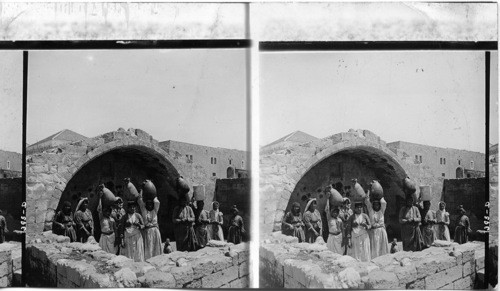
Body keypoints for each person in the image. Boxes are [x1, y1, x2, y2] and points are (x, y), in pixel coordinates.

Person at [138, 194, 162, 260]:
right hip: (147, 231)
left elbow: (157, 202)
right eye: (148, 204)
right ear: (146, 205)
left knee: (156, 246)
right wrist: (142, 191)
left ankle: (157, 259)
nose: (150, 205)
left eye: (151, 204)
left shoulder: (155, 210)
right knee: (149, 246)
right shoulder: (144, 211)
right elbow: (140, 201)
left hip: (155, 231)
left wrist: (152, 194)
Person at [365, 194, 389, 258]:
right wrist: (368, 194)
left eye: (378, 204)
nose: (376, 206)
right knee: (375, 245)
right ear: (373, 205)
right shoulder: (371, 211)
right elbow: (367, 202)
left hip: (381, 231)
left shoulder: (382, 211)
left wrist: (380, 195)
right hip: (373, 231)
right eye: (375, 204)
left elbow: (384, 202)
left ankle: (383, 258)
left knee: (382, 245)